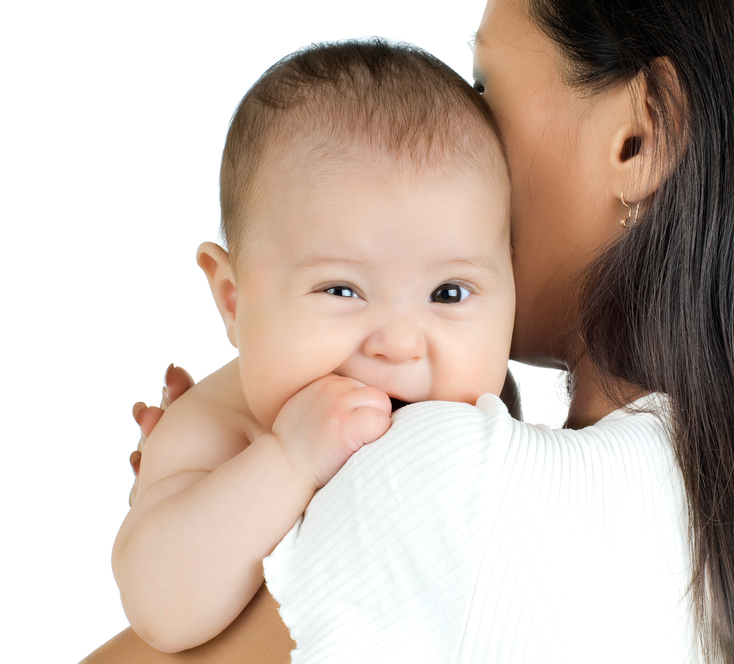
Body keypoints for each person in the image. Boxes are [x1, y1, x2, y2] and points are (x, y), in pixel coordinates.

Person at [85, 0, 734, 661]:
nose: (448, 134)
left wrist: (208, 505)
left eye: (483, 88)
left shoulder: (455, 494)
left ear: (640, 139)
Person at [111, 40, 516, 653]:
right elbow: (162, 608)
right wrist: (288, 460)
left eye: (450, 292)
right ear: (233, 299)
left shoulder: (481, 424)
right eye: (342, 289)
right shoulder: (216, 430)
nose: (400, 343)